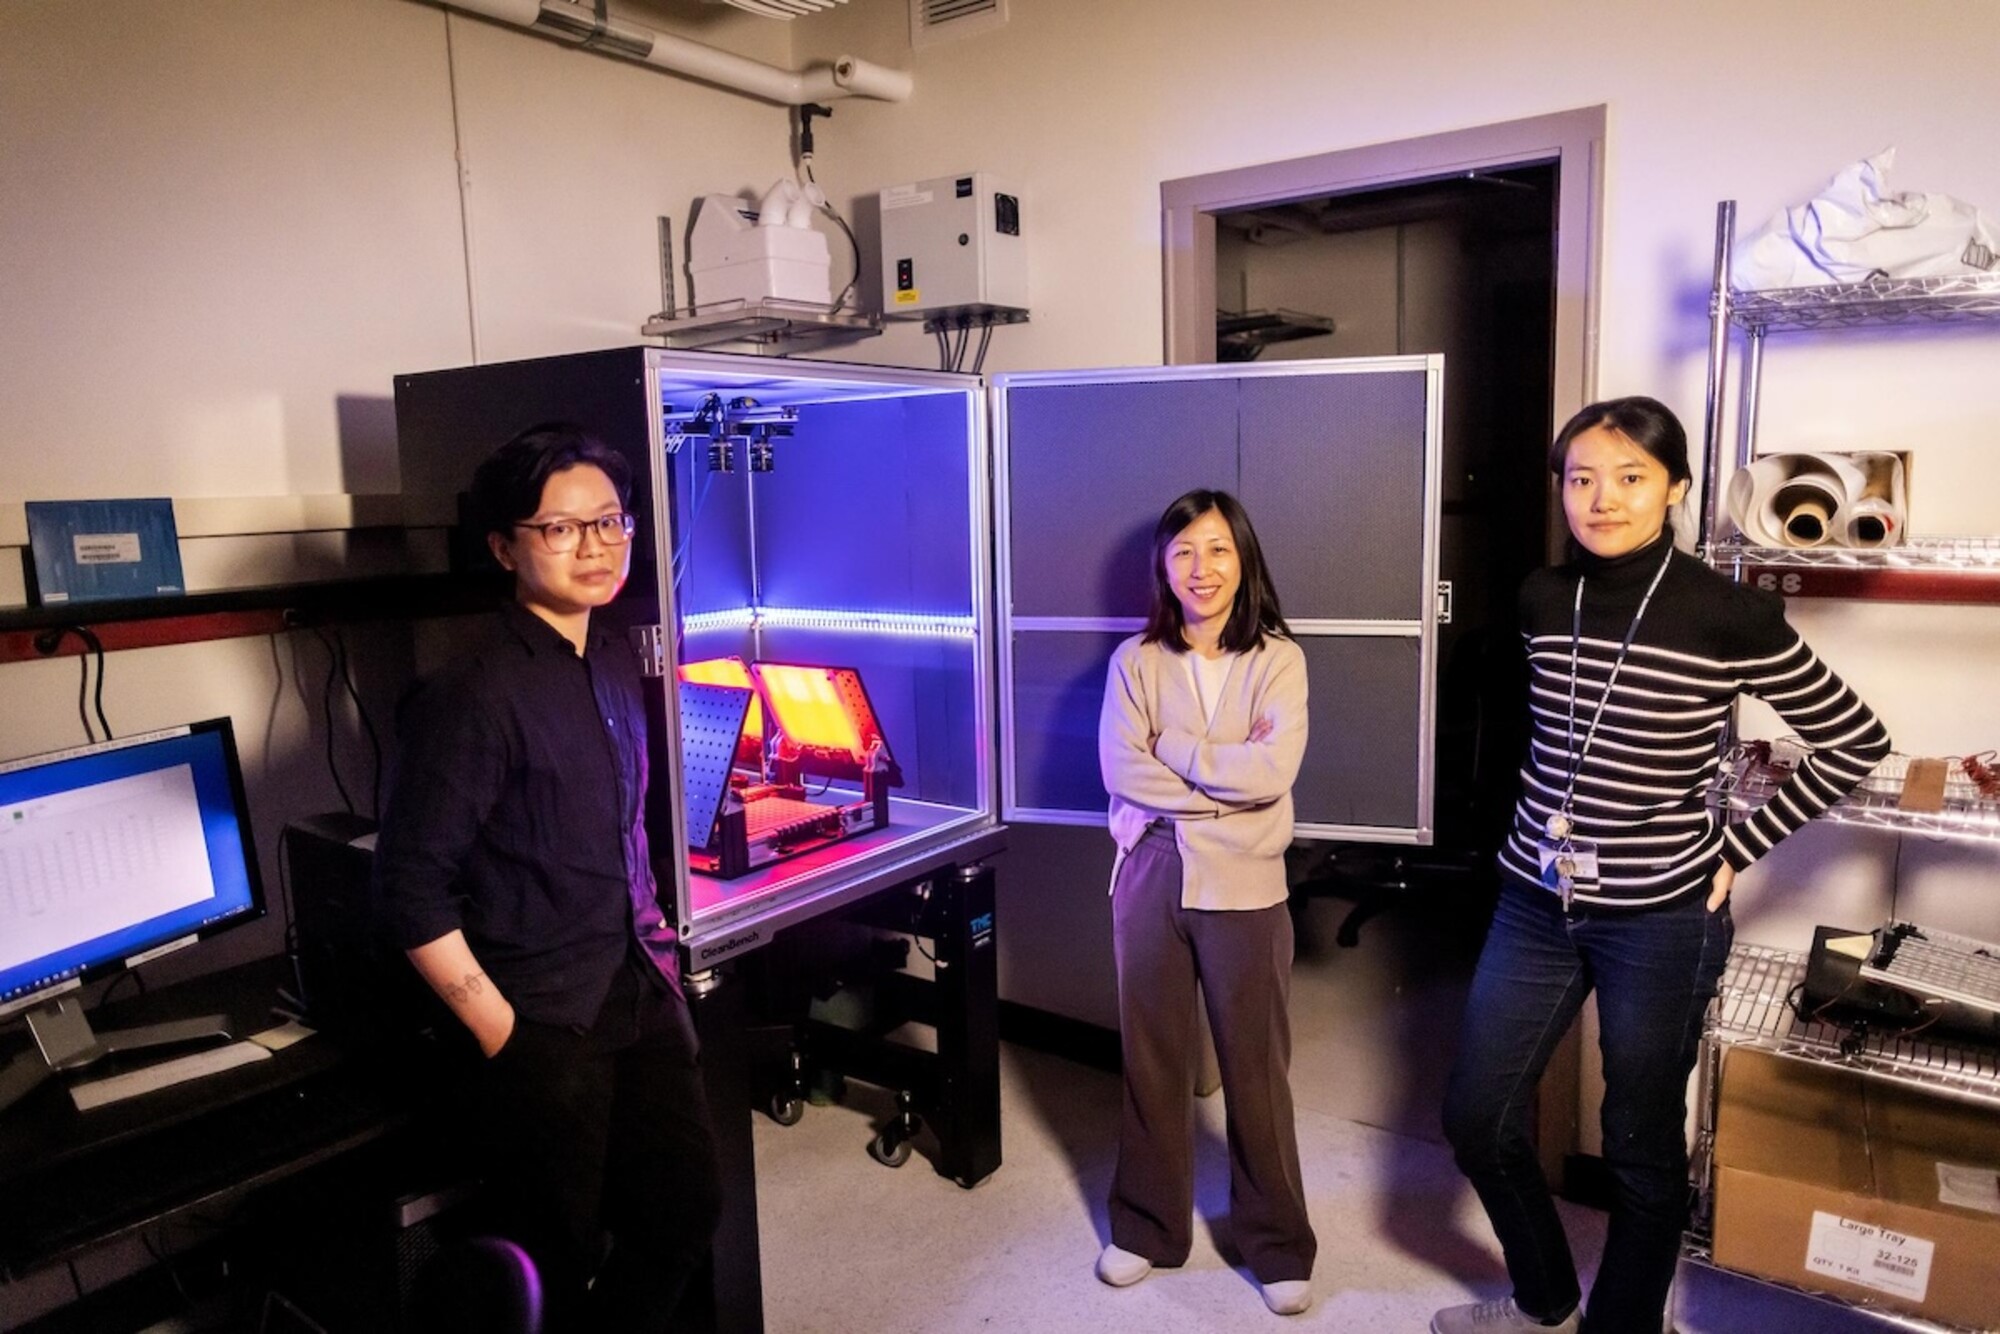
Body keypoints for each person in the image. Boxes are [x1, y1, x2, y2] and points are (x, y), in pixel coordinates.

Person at [1433, 398, 1891, 1334]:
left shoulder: (1727, 613)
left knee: (1640, 1144)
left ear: (1675, 489)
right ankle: (1546, 1297)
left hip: (1661, 916)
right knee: (1479, 1116)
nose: (1602, 499)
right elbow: (1554, 738)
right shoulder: (1536, 597)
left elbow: (1856, 740)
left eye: (1630, 477)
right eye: (1581, 478)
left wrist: (1738, 847)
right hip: (1535, 896)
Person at [375, 422, 722, 1333]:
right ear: (504, 546)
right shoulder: (471, 697)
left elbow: (623, 832)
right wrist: (505, 1036)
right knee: (555, 1256)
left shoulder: (608, 659)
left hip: (639, 987)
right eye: (561, 529)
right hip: (541, 1021)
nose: (596, 546)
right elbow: (408, 888)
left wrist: (663, 954)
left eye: (611, 522)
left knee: (684, 1215)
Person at [1094, 488, 1318, 1318]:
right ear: (1163, 564)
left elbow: (1272, 775)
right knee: (1151, 1057)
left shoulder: (1280, 660)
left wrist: (1179, 753)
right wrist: (1226, 788)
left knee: (1255, 1069)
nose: (1201, 568)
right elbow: (1125, 773)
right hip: (1149, 874)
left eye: (1218, 549)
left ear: (1243, 558)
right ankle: (1147, 1227)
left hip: (1247, 884)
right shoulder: (1135, 662)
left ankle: (1277, 1243)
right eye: (1184, 550)